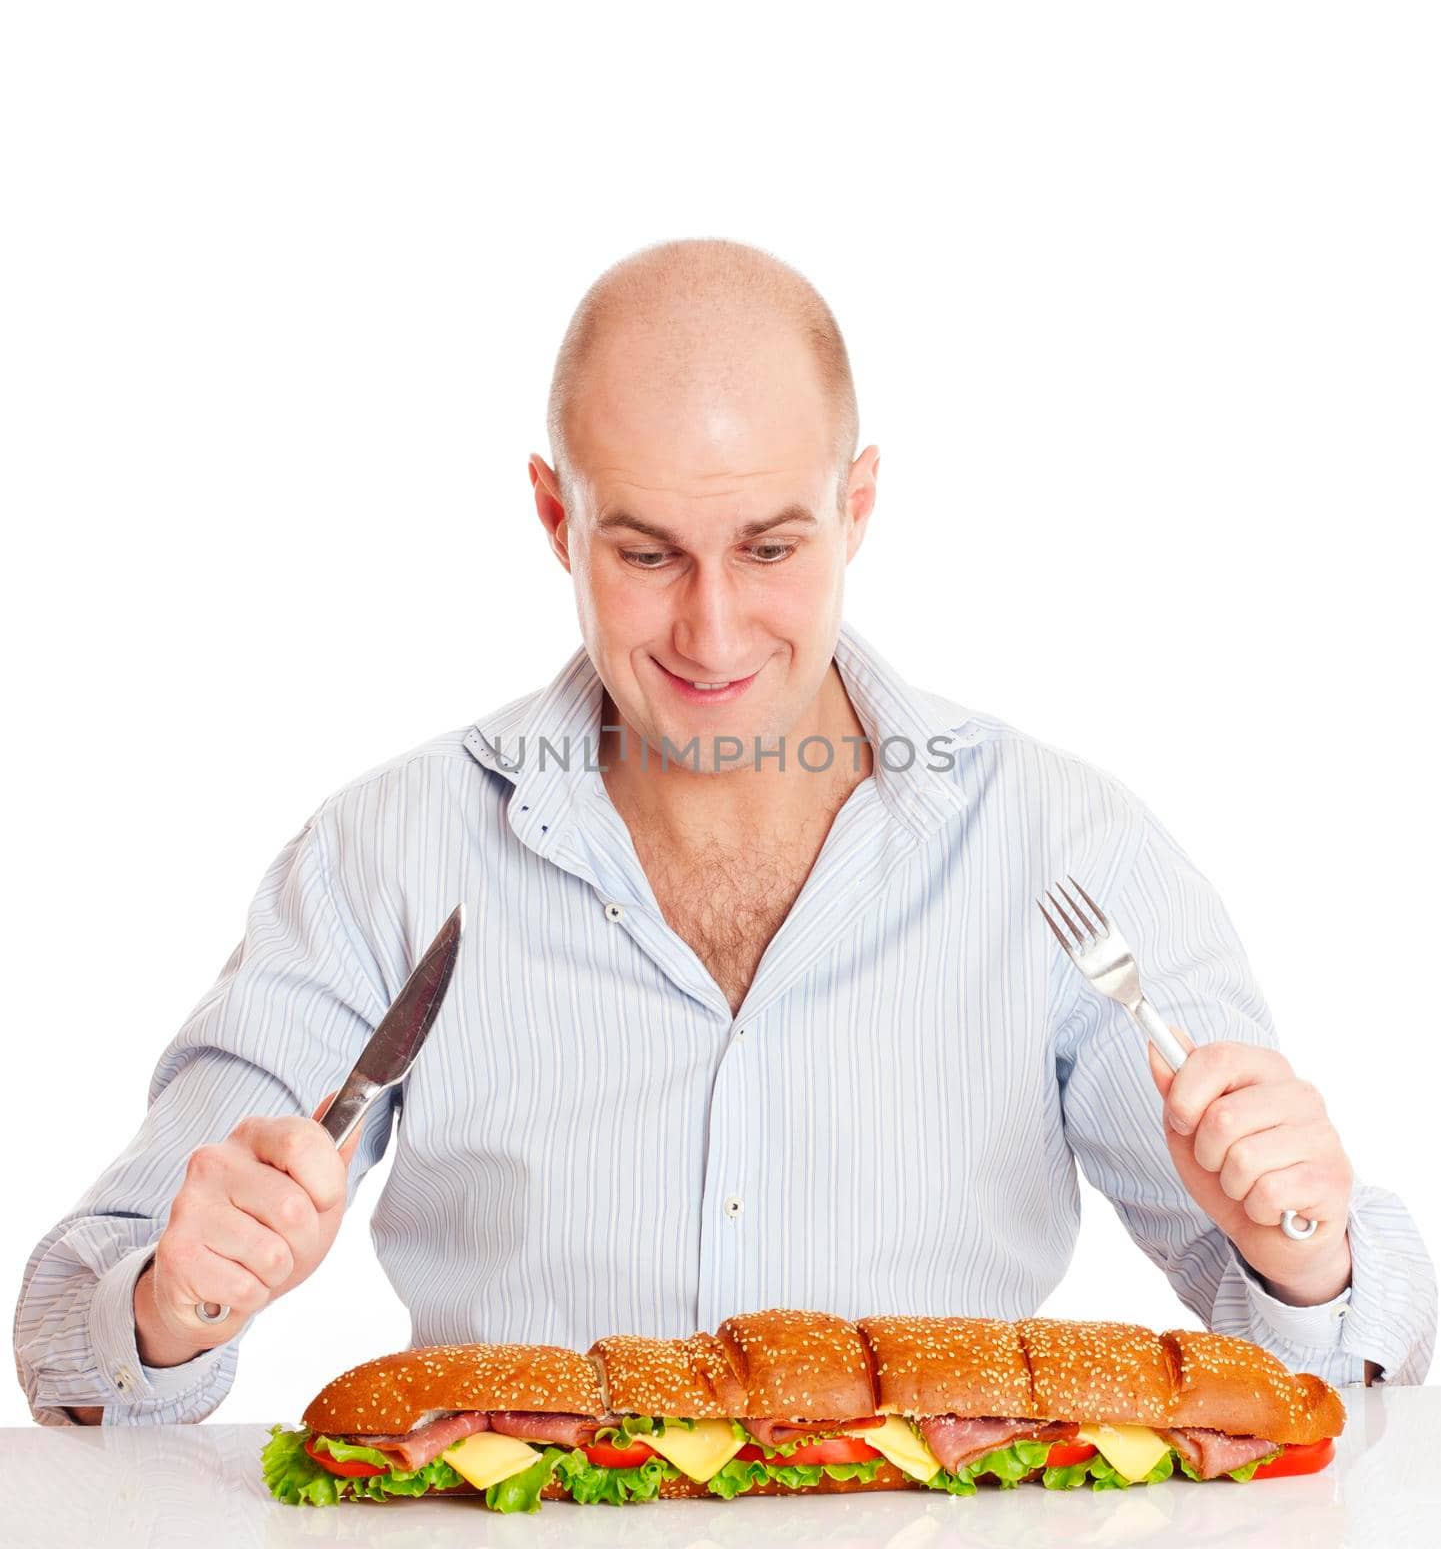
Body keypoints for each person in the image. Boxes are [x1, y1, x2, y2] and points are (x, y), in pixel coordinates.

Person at [15, 237, 1434, 1428]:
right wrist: (177, 1297)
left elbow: (1355, 1366)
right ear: (551, 514)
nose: (708, 630)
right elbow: (72, 1358)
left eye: (768, 547)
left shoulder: (1060, 844)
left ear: (856, 508)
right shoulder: (389, 857)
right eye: (642, 554)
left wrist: (1298, 1248)